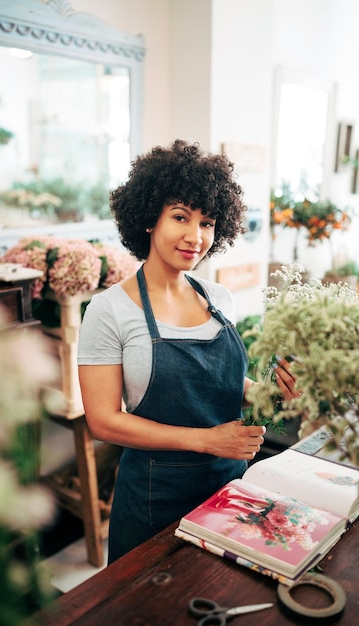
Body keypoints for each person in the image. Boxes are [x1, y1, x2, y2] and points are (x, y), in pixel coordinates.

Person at [77, 139, 297, 563]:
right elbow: (103, 421)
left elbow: (222, 382)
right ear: (148, 220)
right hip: (154, 500)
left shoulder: (219, 298)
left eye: (208, 223)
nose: (195, 237)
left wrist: (263, 390)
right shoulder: (109, 310)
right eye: (180, 217)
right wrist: (206, 440)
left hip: (229, 487)